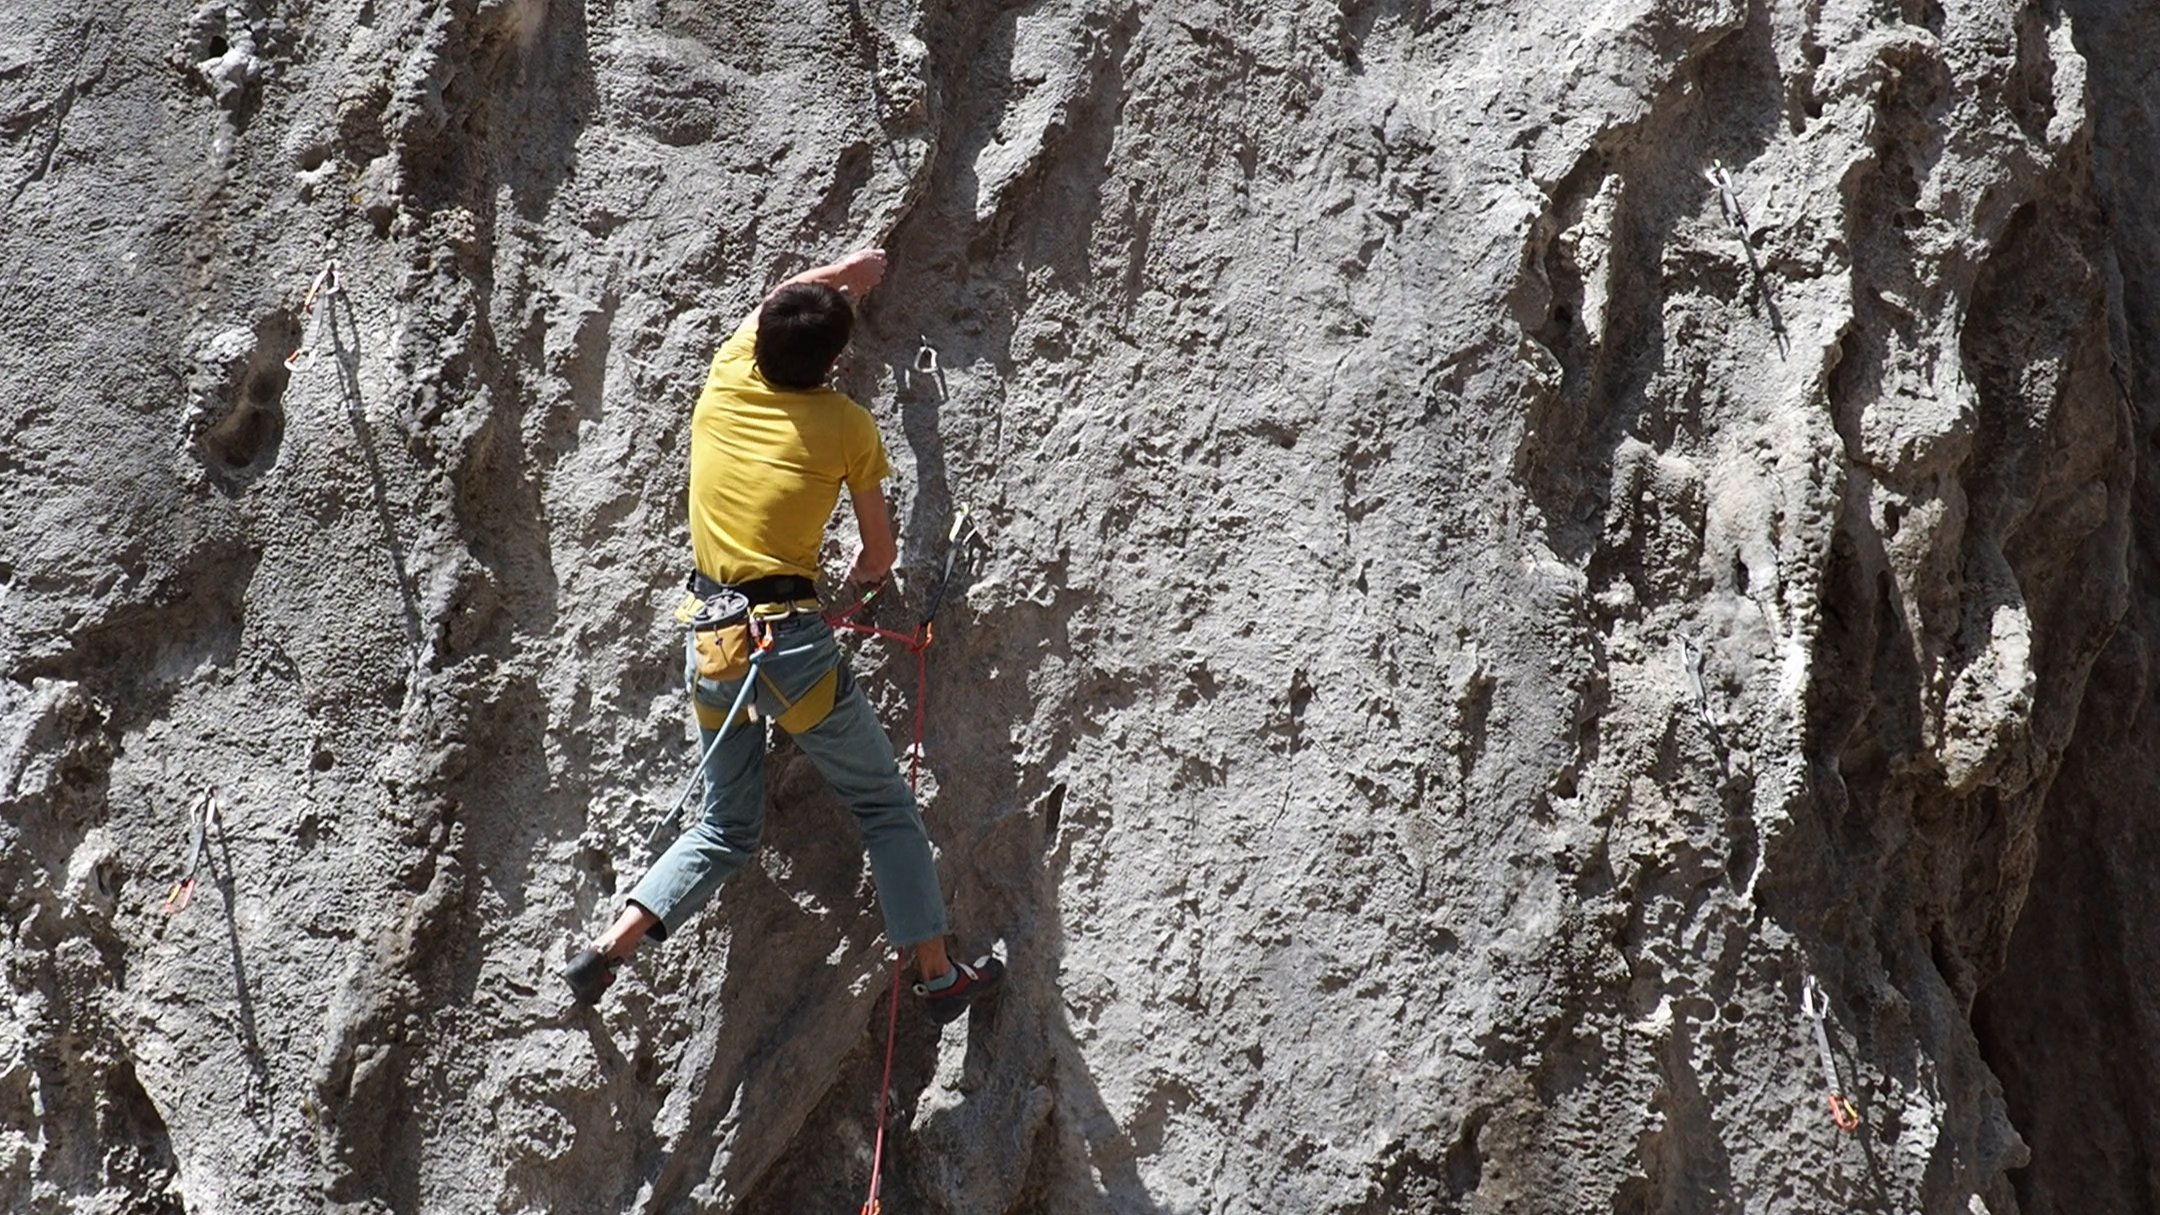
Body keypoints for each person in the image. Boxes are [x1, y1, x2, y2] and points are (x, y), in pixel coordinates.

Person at [563, 248, 1004, 1023]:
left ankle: (609, 949)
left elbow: (779, 296)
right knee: (883, 804)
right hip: (792, 645)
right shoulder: (845, 425)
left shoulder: (728, 375)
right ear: (834, 364)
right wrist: (861, 581)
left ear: (760, 339)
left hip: (712, 640)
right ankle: (938, 977)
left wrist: (846, 271)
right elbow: (879, 554)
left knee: (726, 824)